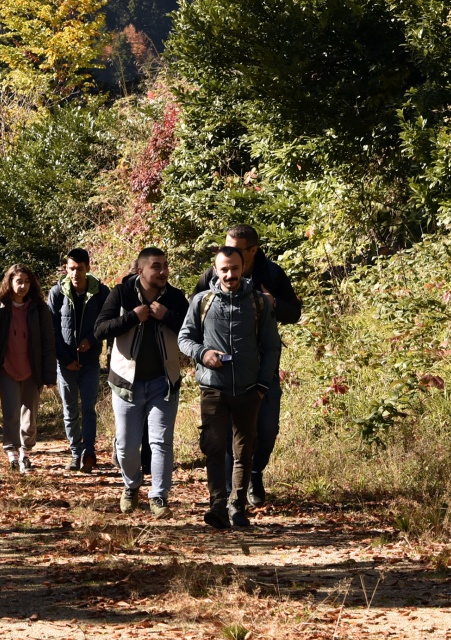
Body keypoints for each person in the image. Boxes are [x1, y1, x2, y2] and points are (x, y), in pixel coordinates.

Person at [191, 224, 302, 508]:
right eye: (225, 247)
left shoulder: (272, 274)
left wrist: (272, 303)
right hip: (220, 375)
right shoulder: (213, 272)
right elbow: (194, 314)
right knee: (228, 436)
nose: (228, 257)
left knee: (266, 430)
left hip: (260, 369)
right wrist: (203, 355)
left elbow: (294, 312)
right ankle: (232, 497)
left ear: (252, 251)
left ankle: (254, 472)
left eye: (237, 250)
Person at [180, 245, 282, 530]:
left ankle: (237, 507)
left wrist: (262, 385)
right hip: (213, 389)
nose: (229, 274)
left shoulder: (258, 302)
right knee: (213, 448)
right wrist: (202, 354)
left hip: (249, 389)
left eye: (235, 268)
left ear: (242, 268)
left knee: (244, 451)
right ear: (216, 270)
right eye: (224, 269)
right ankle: (217, 506)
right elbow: (184, 337)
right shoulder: (202, 301)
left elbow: (272, 347)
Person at [92, 247, 187, 518]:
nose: (163, 271)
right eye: (156, 266)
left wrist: (166, 315)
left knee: (161, 442)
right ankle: (131, 485)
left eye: (166, 266)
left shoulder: (176, 298)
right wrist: (134, 316)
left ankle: (159, 497)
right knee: (126, 444)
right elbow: (100, 330)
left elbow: (194, 331)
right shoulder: (120, 294)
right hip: (126, 383)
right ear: (141, 270)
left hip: (164, 382)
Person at [0, 264, 57, 472]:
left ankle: (26, 452)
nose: (23, 286)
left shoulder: (39, 309)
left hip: (32, 370)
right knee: (11, 414)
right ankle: (12, 453)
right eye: (18, 281)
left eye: (26, 282)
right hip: (6, 369)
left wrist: (49, 374)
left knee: (30, 417)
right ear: (10, 283)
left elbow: (48, 342)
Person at [48, 248, 108, 472]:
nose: (75, 274)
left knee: (89, 408)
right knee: (70, 409)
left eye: (80, 269)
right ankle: (75, 453)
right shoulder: (57, 293)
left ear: (88, 268)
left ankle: (89, 453)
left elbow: (106, 322)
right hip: (65, 363)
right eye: (71, 269)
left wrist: (91, 340)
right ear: (66, 268)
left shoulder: (101, 292)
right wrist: (64, 358)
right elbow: (51, 328)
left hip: (90, 361)